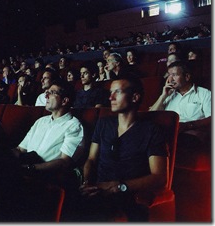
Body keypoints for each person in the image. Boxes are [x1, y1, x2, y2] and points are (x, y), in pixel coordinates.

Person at [77, 75, 168, 221]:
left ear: (135, 97)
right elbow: (91, 159)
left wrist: (118, 186)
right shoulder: (103, 123)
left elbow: (159, 177)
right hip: (97, 191)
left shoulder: (151, 130)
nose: (111, 97)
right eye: (111, 92)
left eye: (117, 92)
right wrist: (86, 183)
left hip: (128, 196)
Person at [13, 80, 84, 179]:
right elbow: (20, 149)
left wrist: (31, 168)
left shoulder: (73, 126)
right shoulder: (41, 121)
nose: (46, 96)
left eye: (51, 93)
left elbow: (64, 162)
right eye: (47, 93)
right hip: (25, 165)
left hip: (46, 175)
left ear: (64, 101)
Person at [149, 61, 211, 147]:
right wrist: (163, 96)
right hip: (167, 135)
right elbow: (151, 116)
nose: (170, 79)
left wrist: (188, 125)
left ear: (187, 77)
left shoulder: (205, 94)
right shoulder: (168, 95)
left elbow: (211, 119)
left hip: (191, 135)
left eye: (174, 75)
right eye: (169, 75)